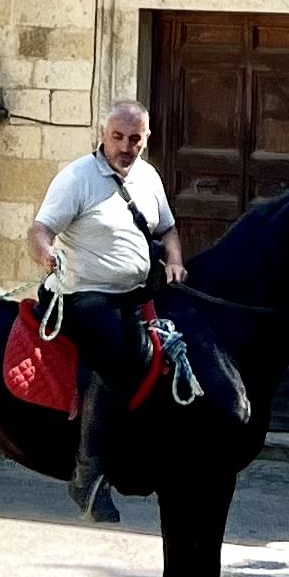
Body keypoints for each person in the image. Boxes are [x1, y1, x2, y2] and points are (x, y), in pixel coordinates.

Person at [29, 99, 184, 523]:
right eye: (117, 137)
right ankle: (87, 472)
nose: (126, 146)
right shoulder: (77, 178)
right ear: (103, 134)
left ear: (146, 138)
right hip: (84, 294)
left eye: (135, 139)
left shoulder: (149, 177)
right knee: (115, 355)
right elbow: (40, 230)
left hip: (135, 294)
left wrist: (174, 260)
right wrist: (46, 256)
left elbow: (167, 227)